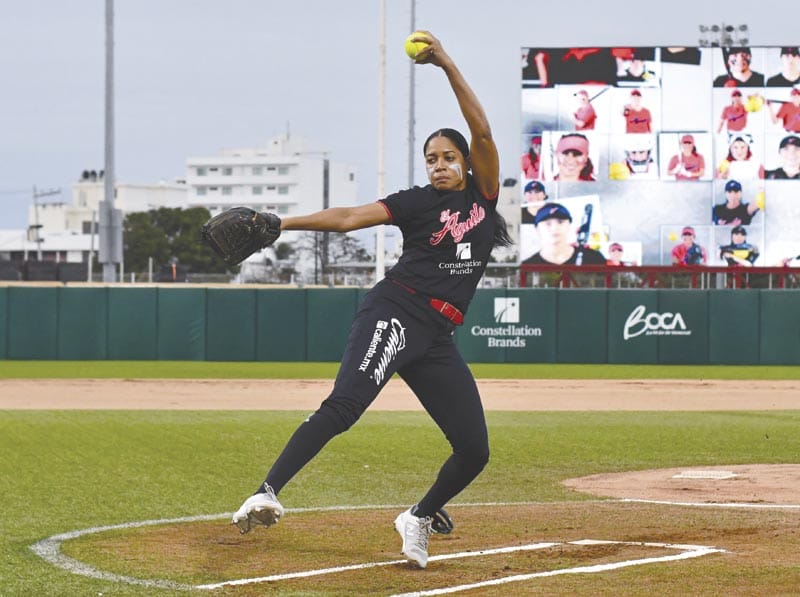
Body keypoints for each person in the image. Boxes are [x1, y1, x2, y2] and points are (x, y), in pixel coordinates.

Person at [229, 32, 513, 570]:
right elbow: (348, 218)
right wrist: (281, 222)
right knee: (345, 406)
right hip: (397, 311)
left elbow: (482, 129)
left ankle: (419, 516)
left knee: (475, 449)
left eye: (448, 157)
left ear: (468, 163)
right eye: (430, 159)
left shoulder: (483, 194)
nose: (439, 165)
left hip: (438, 336)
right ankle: (265, 492)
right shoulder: (416, 203)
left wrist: (446, 63)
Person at [521, 203, 606, 265]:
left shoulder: (594, 258)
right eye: (548, 224)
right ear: (537, 229)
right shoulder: (527, 266)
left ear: (569, 225)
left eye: (560, 222)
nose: (555, 228)